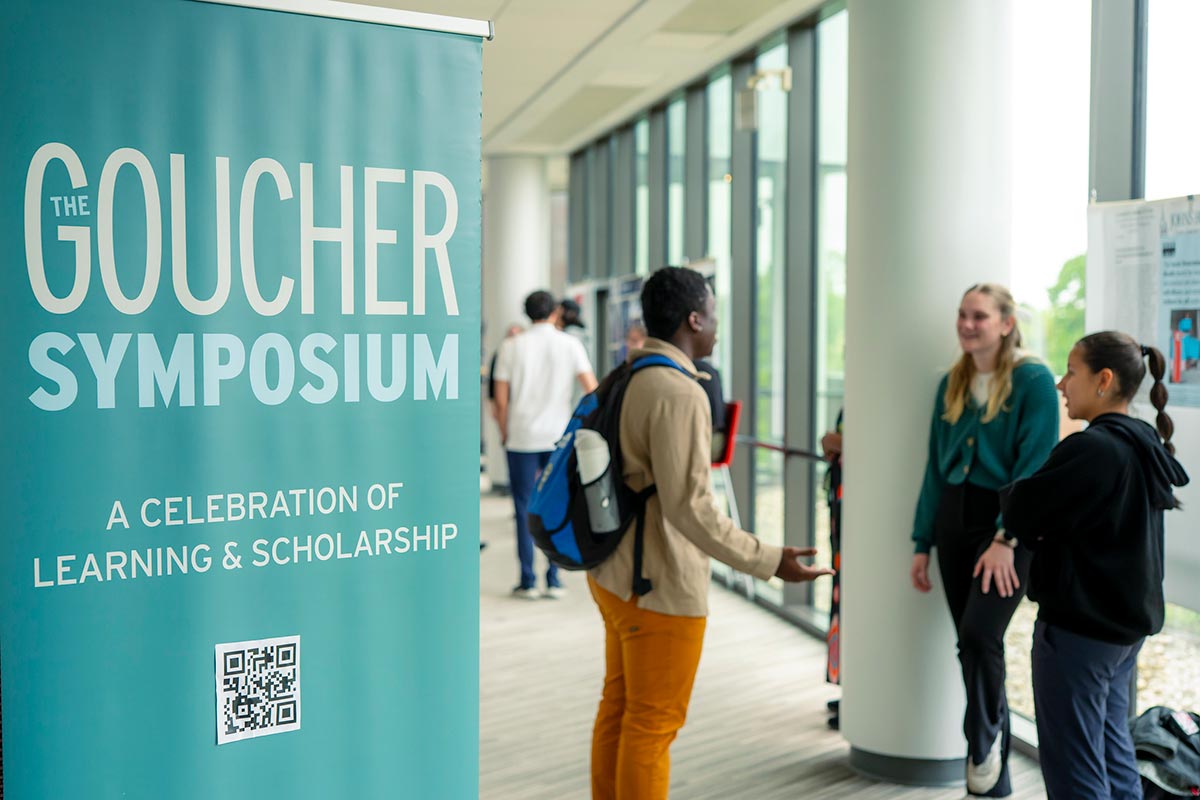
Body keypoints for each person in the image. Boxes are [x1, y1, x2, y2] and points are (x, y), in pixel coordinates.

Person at [587, 266, 834, 800]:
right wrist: (769, 558)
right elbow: (691, 509)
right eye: (714, 314)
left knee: (620, 709)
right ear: (694, 320)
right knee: (652, 724)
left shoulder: (629, 372)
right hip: (655, 583)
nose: (718, 326)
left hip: (614, 569)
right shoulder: (678, 391)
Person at [999, 332, 1189, 800]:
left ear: (1103, 380)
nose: (1061, 384)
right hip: (1120, 634)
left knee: (1075, 771)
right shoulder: (1143, 441)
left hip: (1079, 635)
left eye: (1071, 372)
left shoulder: (1094, 449)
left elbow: (1021, 509)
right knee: (1111, 750)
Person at [909, 283, 1060, 798]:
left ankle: (980, 743)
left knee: (979, 635)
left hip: (1006, 526)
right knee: (972, 646)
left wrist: (1007, 537)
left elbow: (1036, 464)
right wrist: (921, 541)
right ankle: (993, 777)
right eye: (962, 315)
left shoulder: (1032, 379)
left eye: (979, 316)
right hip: (953, 521)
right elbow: (935, 468)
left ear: (1006, 323)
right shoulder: (952, 381)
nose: (967, 324)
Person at [494, 291, 598, 600]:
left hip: (521, 436)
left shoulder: (511, 346)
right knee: (557, 505)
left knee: (522, 506)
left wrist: (504, 431)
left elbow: (501, 399)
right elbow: (592, 391)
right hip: (558, 438)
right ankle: (554, 578)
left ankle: (527, 580)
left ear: (527, 313)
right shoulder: (570, 344)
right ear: (555, 312)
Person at [820, 410, 844, 729]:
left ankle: (857, 690)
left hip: (855, 514)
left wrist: (839, 442)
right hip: (840, 509)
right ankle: (847, 686)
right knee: (840, 599)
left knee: (851, 601)